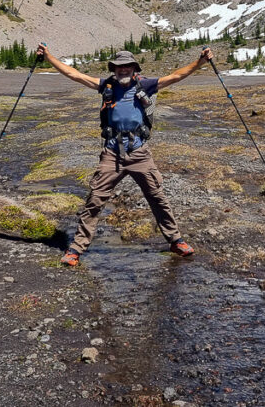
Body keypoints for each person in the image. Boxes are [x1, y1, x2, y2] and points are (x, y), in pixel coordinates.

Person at [35, 43, 214, 266]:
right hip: (111, 153)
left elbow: (177, 76)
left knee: (157, 197)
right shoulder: (106, 85)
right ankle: (76, 249)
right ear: (114, 69)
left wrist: (200, 62)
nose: (123, 70)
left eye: (127, 66)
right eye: (119, 67)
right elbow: (74, 74)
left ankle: (176, 240)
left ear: (133, 68)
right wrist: (49, 57)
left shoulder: (146, 85)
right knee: (95, 200)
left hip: (139, 152)